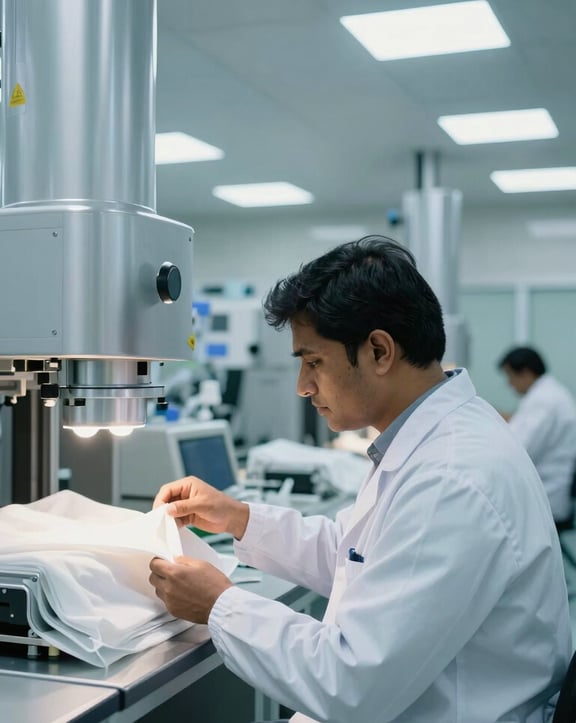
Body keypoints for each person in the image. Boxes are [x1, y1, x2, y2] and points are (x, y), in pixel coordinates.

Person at [148, 236, 570, 723]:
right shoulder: (430, 439)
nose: (302, 386)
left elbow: (349, 683)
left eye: (313, 362)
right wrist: (239, 518)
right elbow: (354, 555)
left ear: (379, 351)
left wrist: (220, 604)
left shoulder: (451, 478)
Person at [498, 346, 576, 531]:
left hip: (548, 496)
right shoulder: (549, 393)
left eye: (510, 376)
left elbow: (518, 450)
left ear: (526, 372)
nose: (509, 384)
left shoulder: (544, 400)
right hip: (551, 489)